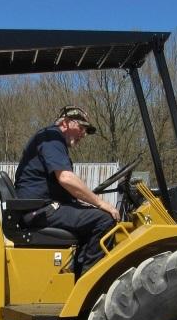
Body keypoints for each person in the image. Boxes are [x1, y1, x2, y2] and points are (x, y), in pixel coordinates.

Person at [14, 105, 120, 277]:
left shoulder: (52, 140)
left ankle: (78, 275)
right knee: (104, 220)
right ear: (65, 123)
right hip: (38, 211)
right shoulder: (51, 138)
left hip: (42, 208)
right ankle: (90, 286)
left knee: (93, 217)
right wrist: (101, 203)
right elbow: (66, 178)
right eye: (81, 127)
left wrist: (87, 201)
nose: (84, 134)